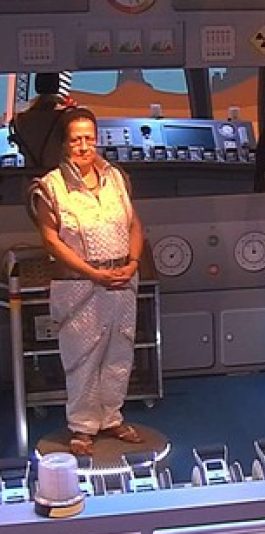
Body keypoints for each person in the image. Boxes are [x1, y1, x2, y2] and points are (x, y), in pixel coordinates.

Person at [27, 107, 145, 455]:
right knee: (82, 356)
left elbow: (134, 224)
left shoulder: (116, 177)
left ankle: (111, 417)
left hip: (121, 281)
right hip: (79, 285)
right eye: (76, 139)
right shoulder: (50, 187)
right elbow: (51, 241)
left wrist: (133, 263)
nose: (83, 146)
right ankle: (82, 426)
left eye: (89, 138)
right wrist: (92, 273)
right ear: (64, 143)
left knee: (119, 352)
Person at [9, 72, 76, 171]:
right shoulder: (66, 116)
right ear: (57, 85)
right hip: (57, 175)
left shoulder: (20, 119)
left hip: (29, 176)